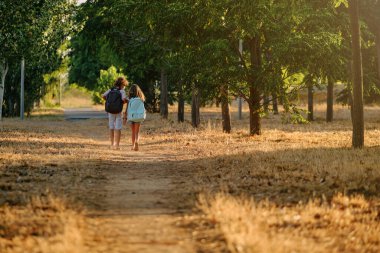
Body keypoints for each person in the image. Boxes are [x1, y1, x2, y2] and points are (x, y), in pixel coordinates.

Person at [102, 77, 128, 150]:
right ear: (122, 84)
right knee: (118, 128)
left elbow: (103, 96)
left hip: (110, 110)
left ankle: (112, 144)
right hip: (118, 111)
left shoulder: (111, 90)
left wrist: (109, 101)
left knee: (111, 127)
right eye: (124, 85)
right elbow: (123, 99)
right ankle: (117, 145)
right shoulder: (122, 91)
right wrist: (126, 101)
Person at [124, 84, 146, 151]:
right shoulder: (141, 99)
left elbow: (127, 109)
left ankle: (133, 145)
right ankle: (137, 141)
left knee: (133, 132)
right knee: (137, 132)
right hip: (138, 117)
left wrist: (125, 117)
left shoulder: (129, 99)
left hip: (131, 117)